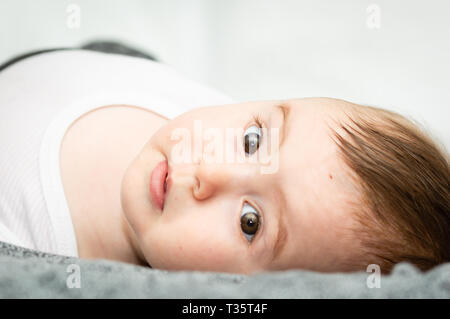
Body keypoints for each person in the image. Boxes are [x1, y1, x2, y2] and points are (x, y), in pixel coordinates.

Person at [0, 43, 448, 275]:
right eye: (253, 141)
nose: (208, 171)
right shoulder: (199, 110)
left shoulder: (51, 270)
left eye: (249, 222)